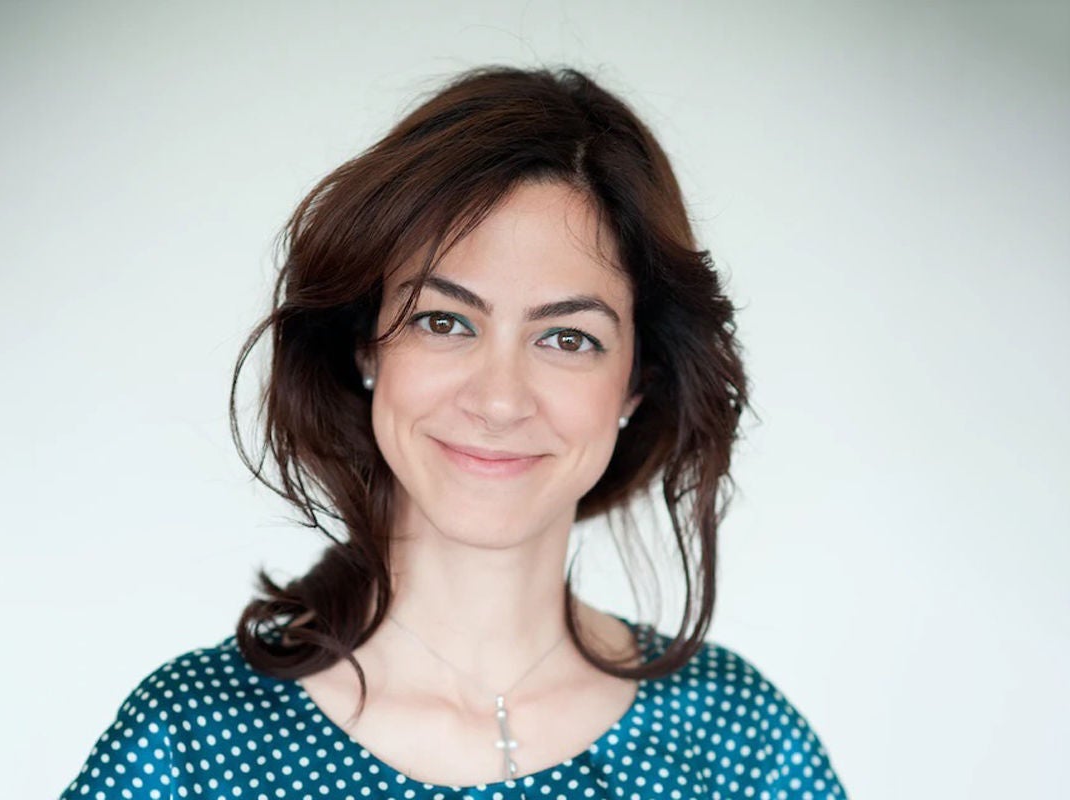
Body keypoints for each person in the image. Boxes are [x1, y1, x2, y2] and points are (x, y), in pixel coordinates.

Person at [59, 65, 847, 799]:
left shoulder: (741, 748)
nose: (499, 401)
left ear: (638, 382)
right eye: (444, 321)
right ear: (367, 344)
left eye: (567, 338)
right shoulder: (192, 743)